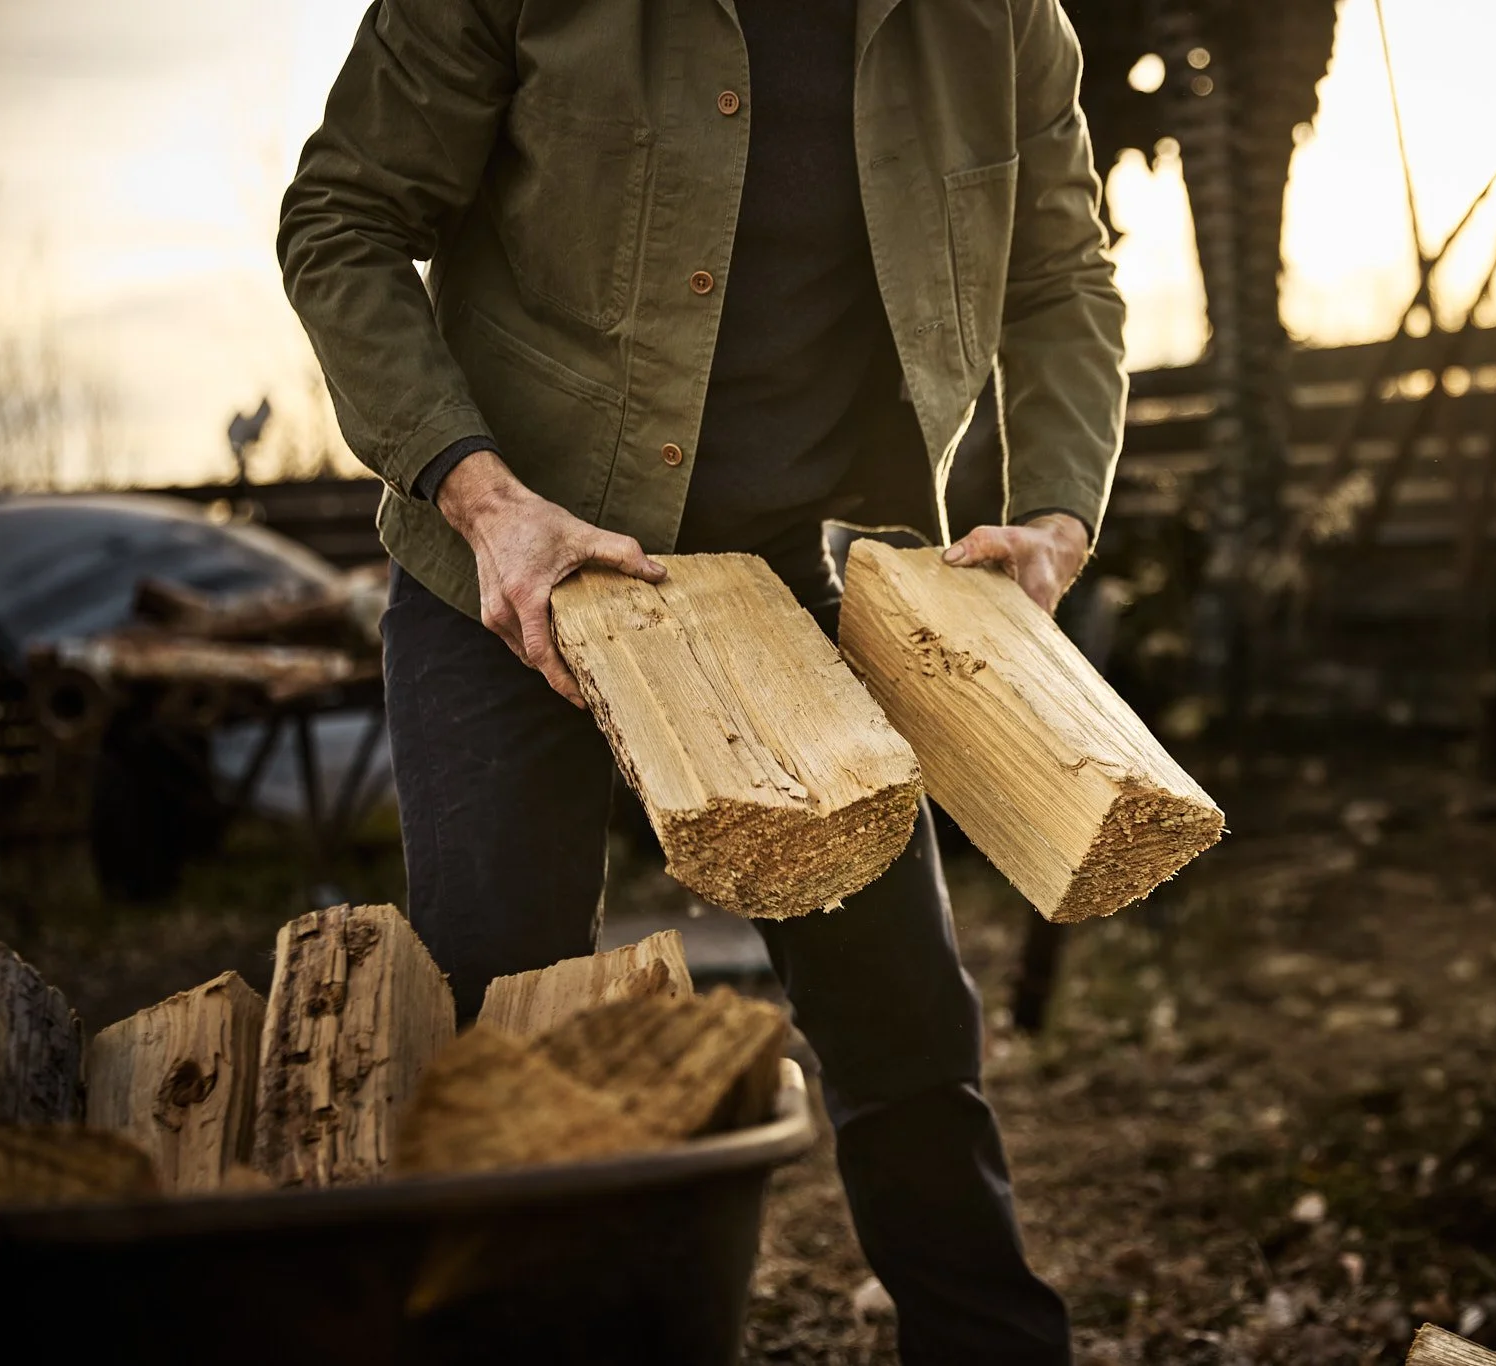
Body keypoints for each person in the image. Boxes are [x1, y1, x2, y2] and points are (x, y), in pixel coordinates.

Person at [278, 0, 1126, 1360]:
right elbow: (341, 221)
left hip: (772, 578)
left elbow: (1063, 280)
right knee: (501, 1029)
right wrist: (483, 500)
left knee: (906, 1019)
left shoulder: (1005, 18)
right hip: (511, 571)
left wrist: (1059, 515)